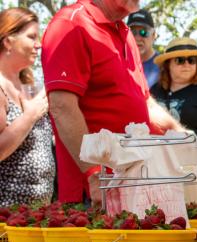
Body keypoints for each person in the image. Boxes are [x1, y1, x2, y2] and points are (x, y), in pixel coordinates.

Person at [42, 0, 183, 204]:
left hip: (133, 186)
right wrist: (93, 174)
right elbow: (62, 106)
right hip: (94, 193)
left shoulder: (125, 33)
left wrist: (185, 139)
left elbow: (145, 104)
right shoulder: (71, 23)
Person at [0, 7, 54, 206]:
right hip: (6, 219)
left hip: (36, 216)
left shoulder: (29, 86)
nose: (38, 45)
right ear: (8, 41)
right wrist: (30, 116)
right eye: (31, 37)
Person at [151, 37, 197, 137]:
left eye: (191, 60)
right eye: (180, 60)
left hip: (196, 151)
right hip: (156, 150)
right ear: (168, 64)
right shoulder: (155, 90)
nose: (186, 64)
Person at [127, 9, 159, 87]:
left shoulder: (164, 66)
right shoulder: (119, 62)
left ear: (154, 35)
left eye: (143, 32)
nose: (137, 38)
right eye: (132, 32)